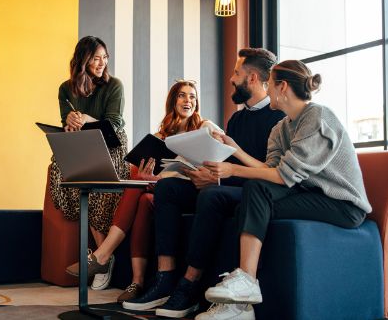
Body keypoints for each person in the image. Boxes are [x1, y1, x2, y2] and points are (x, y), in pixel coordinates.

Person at [195, 60, 371, 320]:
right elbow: (270, 171)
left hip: (342, 204)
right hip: (309, 195)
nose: (266, 89)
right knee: (249, 200)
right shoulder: (282, 127)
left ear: (282, 87)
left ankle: (245, 285)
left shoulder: (318, 117)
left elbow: (283, 175)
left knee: (254, 194)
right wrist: (235, 150)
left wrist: (233, 170)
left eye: (270, 83)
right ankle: (242, 304)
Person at [122, 48, 285, 319]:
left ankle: (188, 287)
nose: (231, 79)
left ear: (253, 78)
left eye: (236, 73)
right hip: (227, 183)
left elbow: (268, 172)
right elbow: (222, 159)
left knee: (211, 196)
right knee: (167, 189)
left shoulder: (278, 118)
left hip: (255, 191)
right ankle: (165, 279)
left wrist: (217, 179)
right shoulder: (237, 119)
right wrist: (206, 174)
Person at [64, 80, 222, 301]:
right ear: (173, 101)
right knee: (142, 194)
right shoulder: (159, 137)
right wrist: (150, 177)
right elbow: (155, 176)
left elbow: (220, 156)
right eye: (182, 96)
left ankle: (102, 255)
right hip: (164, 191)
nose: (188, 101)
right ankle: (136, 282)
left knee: (142, 190)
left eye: (192, 96)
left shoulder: (205, 127)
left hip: (193, 191)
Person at [48, 35, 130, 280]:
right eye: (96, 58)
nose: (102, 63)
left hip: (111, 145)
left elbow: (114, 125)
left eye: (105, 57)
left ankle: (100, 257)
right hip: (83, 143)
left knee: (95, 177)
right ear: (83, 60)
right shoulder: (65, 88)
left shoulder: (114, 85)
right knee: (61, 170)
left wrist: (86, 119)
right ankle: (103, 258)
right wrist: (70, 122)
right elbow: (67, 123)